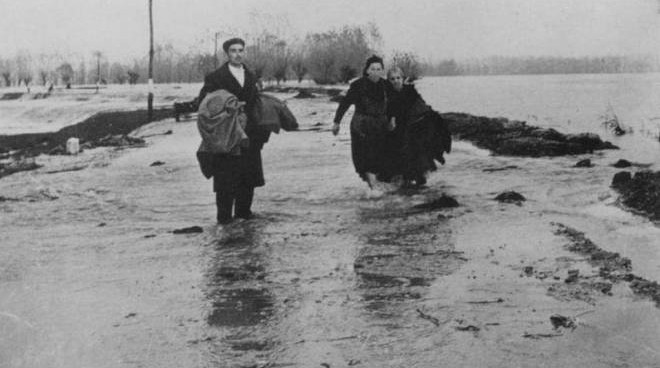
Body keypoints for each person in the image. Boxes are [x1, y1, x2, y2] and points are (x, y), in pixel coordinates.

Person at [197, 37, 271, 224]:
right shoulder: (215, 77)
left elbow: (256, 102)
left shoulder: (251, 75)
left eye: (241, 50)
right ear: (227, 54)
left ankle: (244, 216)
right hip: (227, 132)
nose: (238, 54)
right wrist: (226, 109)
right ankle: (224, 220)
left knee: (248, 175)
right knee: (225, 177)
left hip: (250, 132)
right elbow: (204, 103)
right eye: (233, 51)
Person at [332, 55, 392, 189]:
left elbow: (395, 105)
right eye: (373, 69)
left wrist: (393, 120)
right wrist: (337, 122)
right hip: (362, 126)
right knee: (364, 159)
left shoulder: (386, 85)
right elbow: (345, 103)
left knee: (382, 157)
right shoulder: (358, 85)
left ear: (382, 70)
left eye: (379, 69)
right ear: (367, 70)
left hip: (381, 125)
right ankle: (373, 188)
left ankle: (378, 186)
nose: (376, 72)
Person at [385, 67, 451, 187]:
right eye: (392, 79)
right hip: (402, 128)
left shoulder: (410, 91)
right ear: (388, 81)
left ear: (402, 78)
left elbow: (420, 108)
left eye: (398, 78)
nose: (395, 81)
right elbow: (390, 112)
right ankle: (406, 183)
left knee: (420, 155)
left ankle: (423, 182)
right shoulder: (388, 95)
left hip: (417, 127)